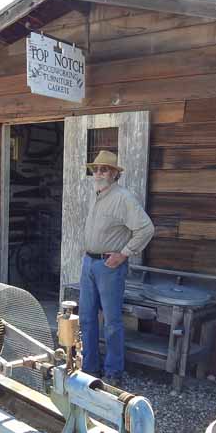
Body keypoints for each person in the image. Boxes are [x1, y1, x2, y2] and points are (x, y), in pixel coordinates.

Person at [80, 150, 154, 386]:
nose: (99, 173)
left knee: (112, 322)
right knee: (87, 318)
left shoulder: (123, 198)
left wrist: (123, 254)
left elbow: (146, 229)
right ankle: (89, 368)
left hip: (109, 265)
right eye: (96, 169)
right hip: (89, 262)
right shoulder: (98, 195)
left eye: (104, 169)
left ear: (114, 173)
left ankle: (113, 372)